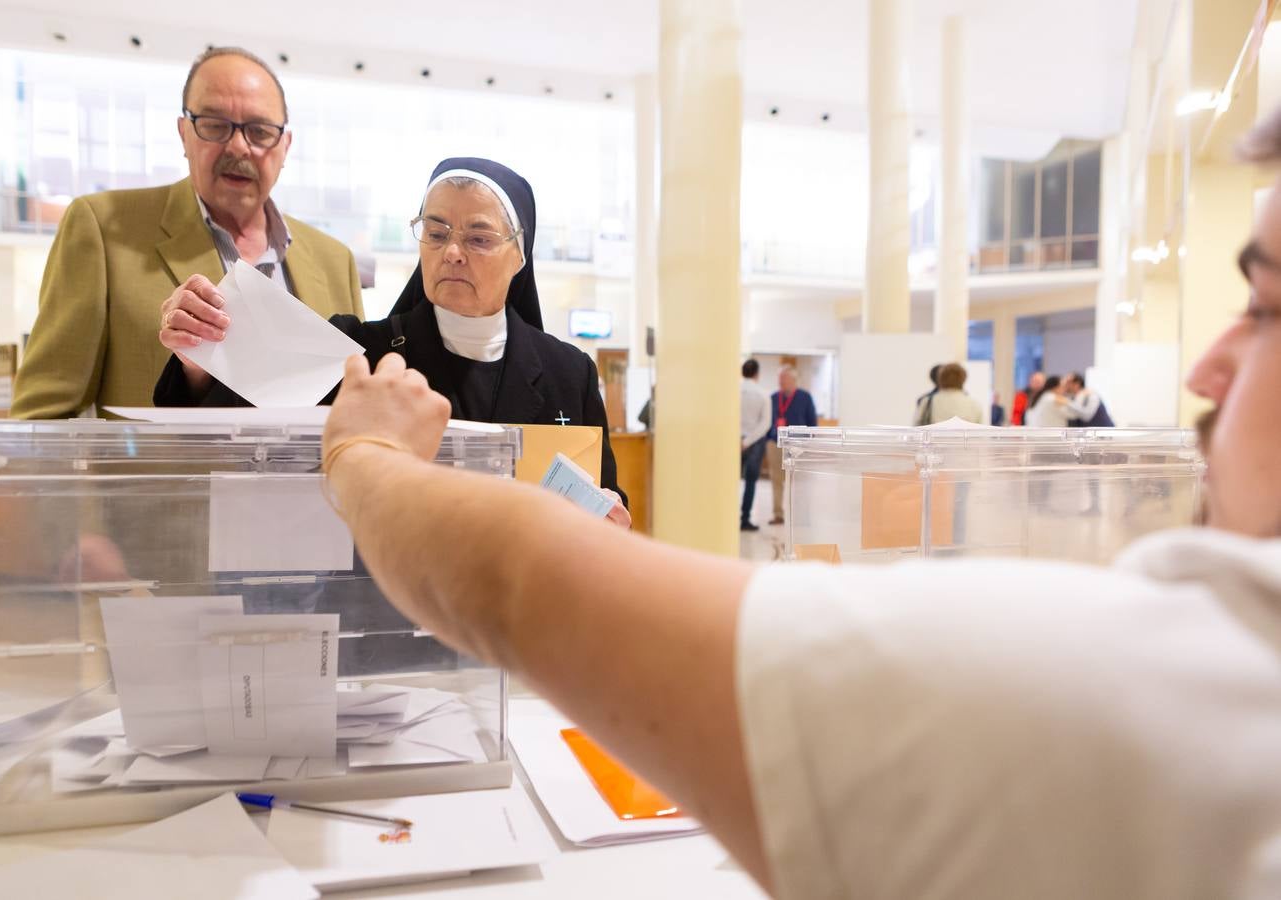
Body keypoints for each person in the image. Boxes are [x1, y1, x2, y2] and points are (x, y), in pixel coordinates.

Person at [317, 107, 1281, 900]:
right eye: (436, 232)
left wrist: (364, 460)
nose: (1206, 365)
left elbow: (525, 582)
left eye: (1267, 308)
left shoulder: (1174, 686)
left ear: (515, 254)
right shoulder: (366, 340)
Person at [154, 156, 628, 525]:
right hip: (383, 613)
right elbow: (228, 432)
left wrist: (609, 514)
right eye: (436, 232)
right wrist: (201, 352)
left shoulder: (570, 372)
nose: (453, 253)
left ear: (520, 255)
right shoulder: (359, 353)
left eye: (479, 239)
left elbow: (605, 496)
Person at [10, 47, 363, 419]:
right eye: (215, 124)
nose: (239, 146)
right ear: (184, 133)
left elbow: (354, 407)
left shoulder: (335, 261)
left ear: (285, 145)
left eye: (260, 131)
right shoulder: (102, 229)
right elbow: (43, 416)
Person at [764, 367, 817, 526]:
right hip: (776, 443)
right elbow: (767, 420)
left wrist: (809, 444)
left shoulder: (805, 397)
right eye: (779, 378)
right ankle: (778, 514)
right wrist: (769, 437)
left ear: (793, 380)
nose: (780, 381)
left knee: (798, 481)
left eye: (784, 378)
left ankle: (800, 513)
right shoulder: (773, 397)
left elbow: (812, 422)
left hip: (798, 445)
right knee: (776, 480)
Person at [739, 359, 771, 532]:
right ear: (757, 374)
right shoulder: (763, 394)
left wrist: (738, 440)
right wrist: (748, 441)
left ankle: (726, 518)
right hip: (754, 442)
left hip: (733, 442)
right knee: (750, 482)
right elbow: (765, 423)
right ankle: (745, 519)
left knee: (729, 482)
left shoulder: (733, 391)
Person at [913, 362, 983, 425]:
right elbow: (981, 432)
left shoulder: (927, 401)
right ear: (963, 379)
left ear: (940, 378)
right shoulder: (973, 404)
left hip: (935, 439)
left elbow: (916, 428)